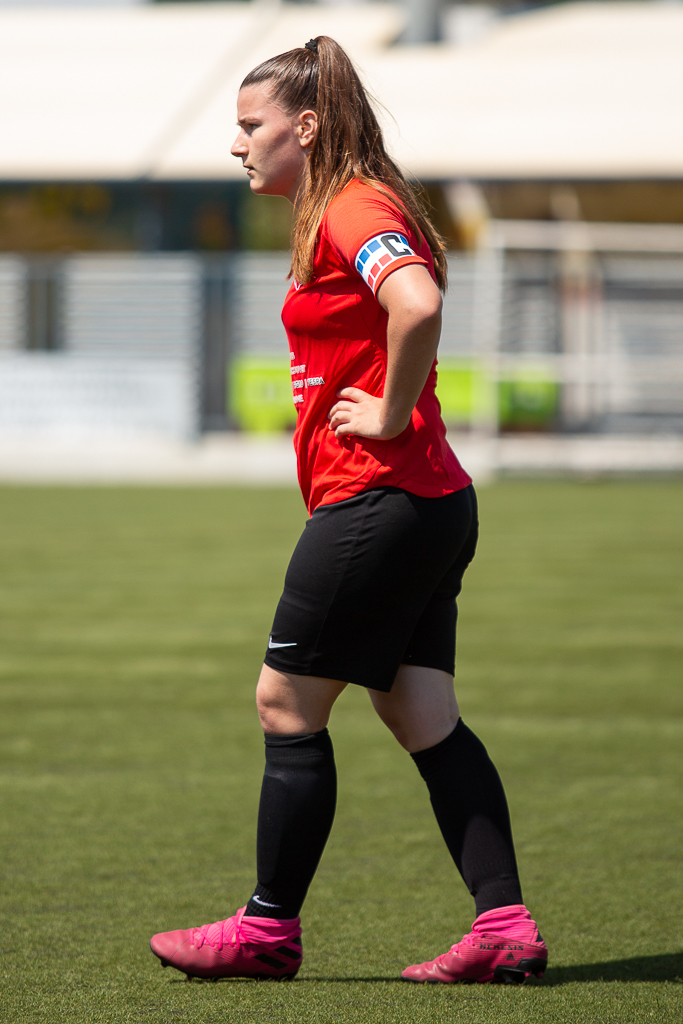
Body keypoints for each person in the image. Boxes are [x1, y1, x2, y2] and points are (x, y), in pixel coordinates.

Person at [150, 36, 547, 986]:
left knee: (284, 702)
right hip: (426, 501)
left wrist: (392, 411)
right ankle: (503, 926)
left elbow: (416, 304)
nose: (236, 144)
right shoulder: (341, 205)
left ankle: (265, 931)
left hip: (382, 497)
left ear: (306, 125)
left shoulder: (351, 204)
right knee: (420, 711)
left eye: (249, 126)